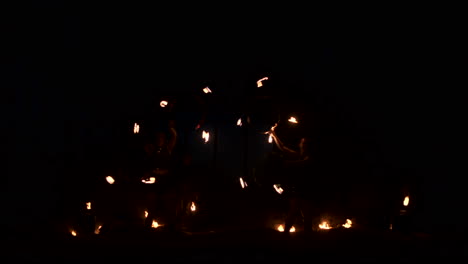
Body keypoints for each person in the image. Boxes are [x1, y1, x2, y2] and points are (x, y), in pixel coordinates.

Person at [267, 122, 314, 234]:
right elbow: (283, 148)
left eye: (303, 142)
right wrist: (273, 134)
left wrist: (285, 163)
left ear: (306, 145)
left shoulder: (309, 158)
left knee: (305, 214)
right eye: (301, 142)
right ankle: (288, 234)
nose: (300, 144)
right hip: (298, 189)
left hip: (306, 189)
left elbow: (302, 164)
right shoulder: (299, 155)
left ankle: (305, 236)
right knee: (295, 212)